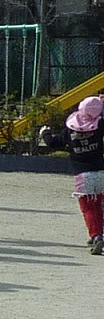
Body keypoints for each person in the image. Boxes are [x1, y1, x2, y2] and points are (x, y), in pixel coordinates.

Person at [39, 96, 104, 254]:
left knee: (88, 208)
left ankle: (96, 235)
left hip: (82, 175)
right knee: (100, 205)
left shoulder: (72, 129)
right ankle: (99, 234)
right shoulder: (100, 125)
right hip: (101, 171)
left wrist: (45, 132)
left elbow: (53, 143)